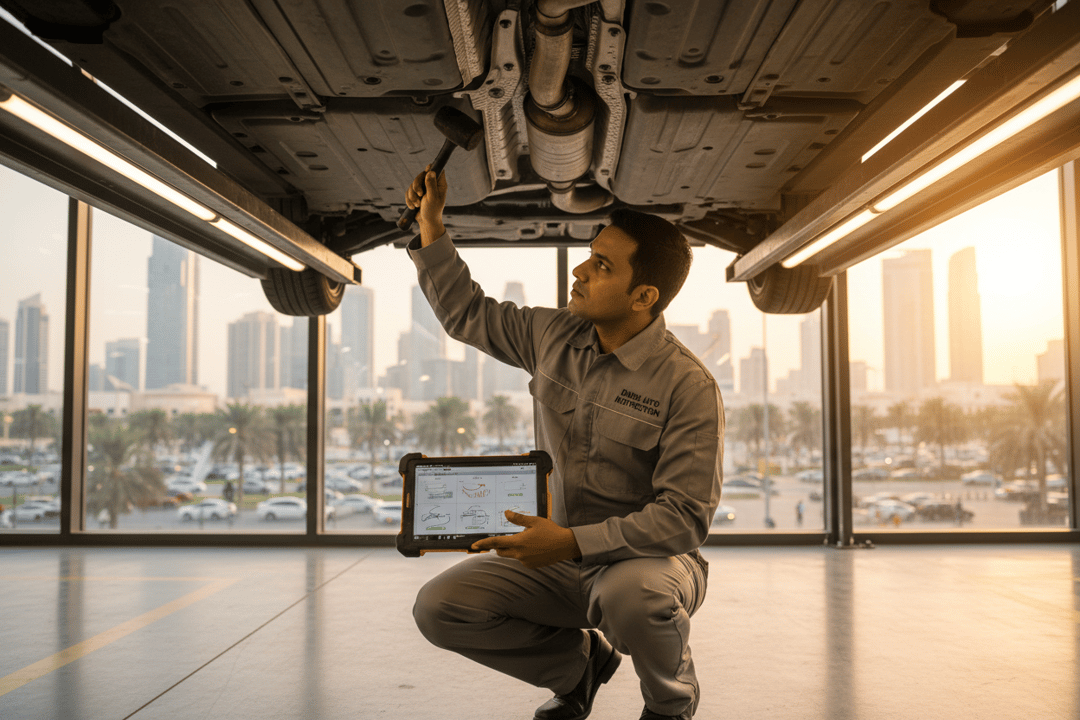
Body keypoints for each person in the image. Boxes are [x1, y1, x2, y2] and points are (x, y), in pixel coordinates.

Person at [404, 168, 724, 720]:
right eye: (589, 254)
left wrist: (572, 542)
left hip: (648, 562)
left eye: (602, 266)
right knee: (440, 607)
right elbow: (467, 313)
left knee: (634, 597)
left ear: (643, 295)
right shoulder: (553, 336)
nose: (579, 270)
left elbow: (683, 520)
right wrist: (432, 224)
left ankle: (671, 706)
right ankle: (579, 669)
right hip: (555, 553)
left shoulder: (687, 386)